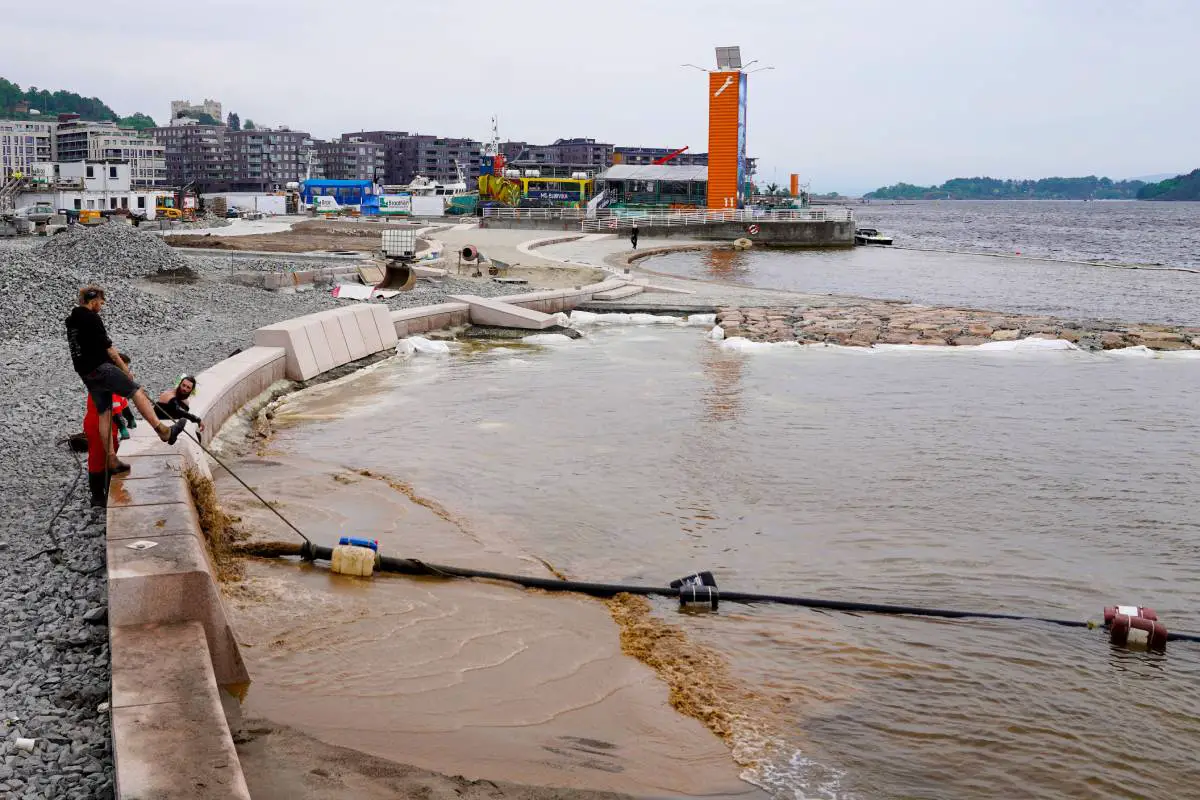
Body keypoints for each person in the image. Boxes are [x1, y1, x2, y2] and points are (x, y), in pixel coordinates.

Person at [65, 286, 186, 474]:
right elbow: (109, 349)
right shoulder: (92, 318)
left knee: (104, 413)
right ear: (93, 299)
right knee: (136, 391)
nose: (102, 306)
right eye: (101, 302)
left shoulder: (71, 321)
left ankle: (112, 460)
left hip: (86, 373)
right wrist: (125, 370)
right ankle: (163, 430)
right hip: (101, 368)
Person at [155, 375, 205, 443]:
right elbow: (178, 411)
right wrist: (197, 419)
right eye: (183, 385)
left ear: (191, 390)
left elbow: (182, 417)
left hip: (173, 426)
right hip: (159, 427)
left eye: (188, 387)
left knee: (197, 436)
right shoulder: (168, 395)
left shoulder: (185, 402)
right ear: (179, 384)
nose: (184, 389)